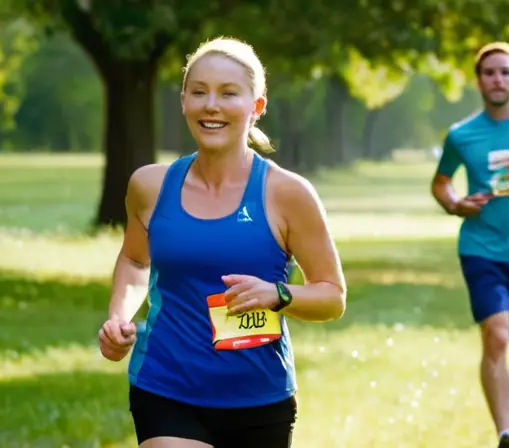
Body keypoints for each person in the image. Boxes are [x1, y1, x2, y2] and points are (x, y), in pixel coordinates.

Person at [97, 37, 347, 448]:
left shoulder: (287, 193)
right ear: (183, 101)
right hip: (166, 386)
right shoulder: (149, 186)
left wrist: (277, 294)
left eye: (228, 94)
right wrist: (119, 317)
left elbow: (332, 296)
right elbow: (135, 262)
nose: (211, 105)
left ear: (257, 106)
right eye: (199, 92)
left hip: (260, 397)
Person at [431, 42, 509, 448]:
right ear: (478, 81)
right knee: (496, 335)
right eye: (489, 72)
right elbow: (441, 181)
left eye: (506, 72)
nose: (498, 79)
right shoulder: (461, 134)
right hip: (482, 248)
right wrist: (455, 205)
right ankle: (505, 433)